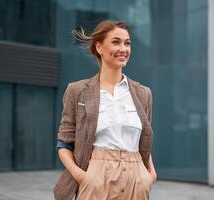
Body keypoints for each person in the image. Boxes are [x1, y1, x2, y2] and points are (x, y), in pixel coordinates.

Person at [53, 20, 157, 200]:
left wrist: (149, 176)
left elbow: (143, 141)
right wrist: (82, 176)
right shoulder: (77, 91)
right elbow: (64, 144)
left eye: (127, 43)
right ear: (99, 47)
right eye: (116, 42)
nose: (123, 48)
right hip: (96, 179)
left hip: (137, 182)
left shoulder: (143, 94)